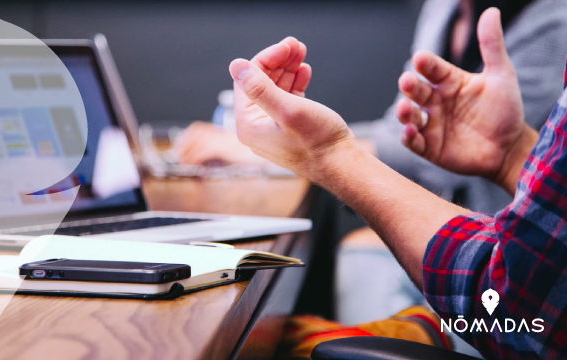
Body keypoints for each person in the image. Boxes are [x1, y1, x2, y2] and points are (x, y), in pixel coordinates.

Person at [226, 6, 567, 359]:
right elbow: (404, 127)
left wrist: (328, 154)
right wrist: (512, 155)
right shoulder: (443, 9)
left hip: (508, 311)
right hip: (496, 256)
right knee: (360, 251)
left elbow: (519, 304)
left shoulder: (555, 21)